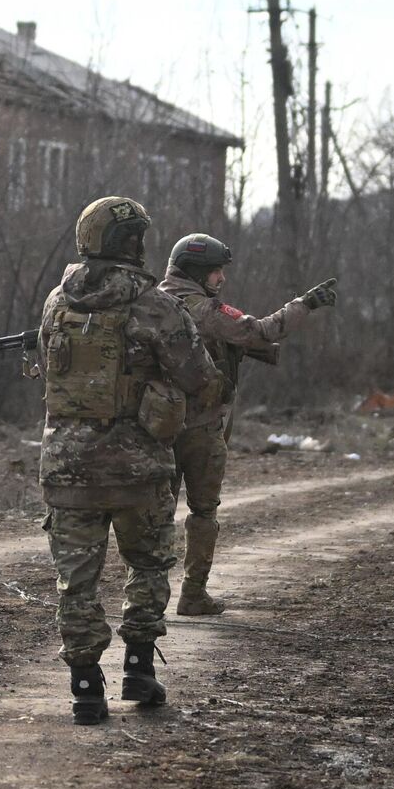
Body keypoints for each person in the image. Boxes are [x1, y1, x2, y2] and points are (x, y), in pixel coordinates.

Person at [39, 197, 219, 725]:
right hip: (139, 469)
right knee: (147, 565)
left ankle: (85, 687)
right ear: (133, 244)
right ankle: (139, 667)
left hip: (66, 468)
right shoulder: (154, 303)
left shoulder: (57, 300)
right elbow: (199, 376)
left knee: (76, 580)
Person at [160, 234, 336, 615]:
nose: (221, 278)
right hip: (200, 427)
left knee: (155, 515)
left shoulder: (151, 303)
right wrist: (305, 304)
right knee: (203, 513)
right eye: (215, 271)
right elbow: (261, 331)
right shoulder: (203, 309)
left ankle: (148, 600)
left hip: (155, 427)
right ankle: (192, 595)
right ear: (196, 272)